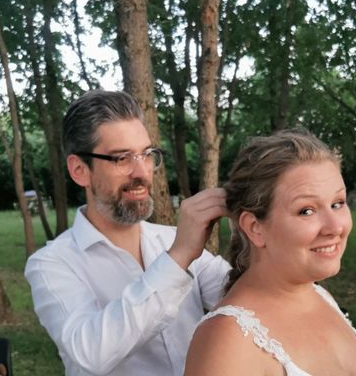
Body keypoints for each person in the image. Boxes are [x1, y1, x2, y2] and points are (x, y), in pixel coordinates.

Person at [25, 90, 230, 376]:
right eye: (122, 158)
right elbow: (90, 353)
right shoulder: (52, 264)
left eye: (147, 155)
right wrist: (179, 257)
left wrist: (255, 230)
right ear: (80, 170)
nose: (142, 172)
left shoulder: (172, 240)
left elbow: (243, 296)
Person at [184, 130, 356, 376]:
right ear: (255, 227)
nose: (335, 227)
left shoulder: (319, 295)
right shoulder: (227, 341)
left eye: (337, 204)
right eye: (306, 210)